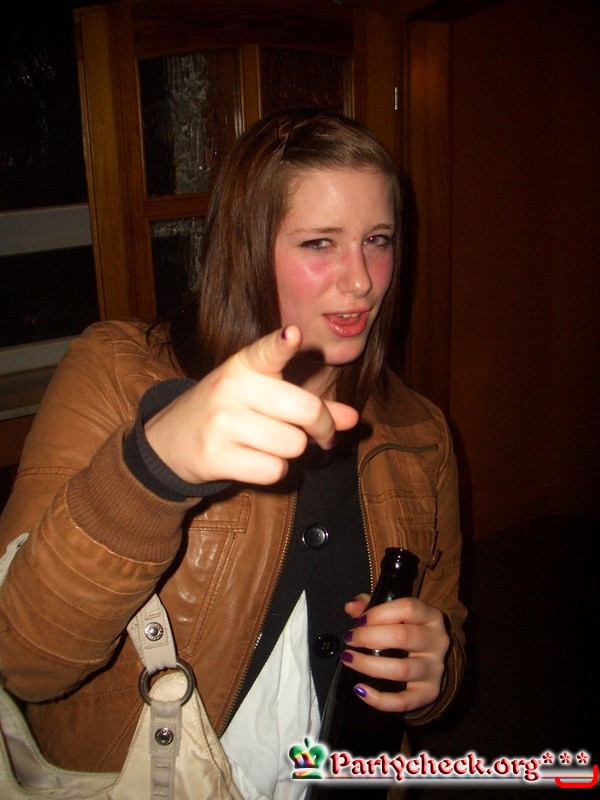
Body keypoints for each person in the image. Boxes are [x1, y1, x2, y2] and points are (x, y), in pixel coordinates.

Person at [0, 108, 466, 799]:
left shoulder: (421, 433)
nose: (362, 280)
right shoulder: (114, 375)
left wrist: (435, 671)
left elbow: (445, 626)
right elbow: (24, 661)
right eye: (319, 243)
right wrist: (151, 471)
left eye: (377, 240)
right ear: (246, 250)